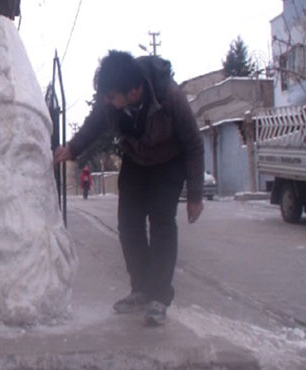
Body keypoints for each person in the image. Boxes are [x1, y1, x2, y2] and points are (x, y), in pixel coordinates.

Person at [54, 50, 204, 326]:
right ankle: (142, 288)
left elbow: (194, 144)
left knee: (161, 224)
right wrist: (71, 149)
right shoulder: (111, 101)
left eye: (111, 97)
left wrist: (195, 195)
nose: (107, 102)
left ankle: (159, 296)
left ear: (134, 91)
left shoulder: (169, 97)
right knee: (128, 224)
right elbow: (94, 124)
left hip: (170, 163)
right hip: (137, 161)